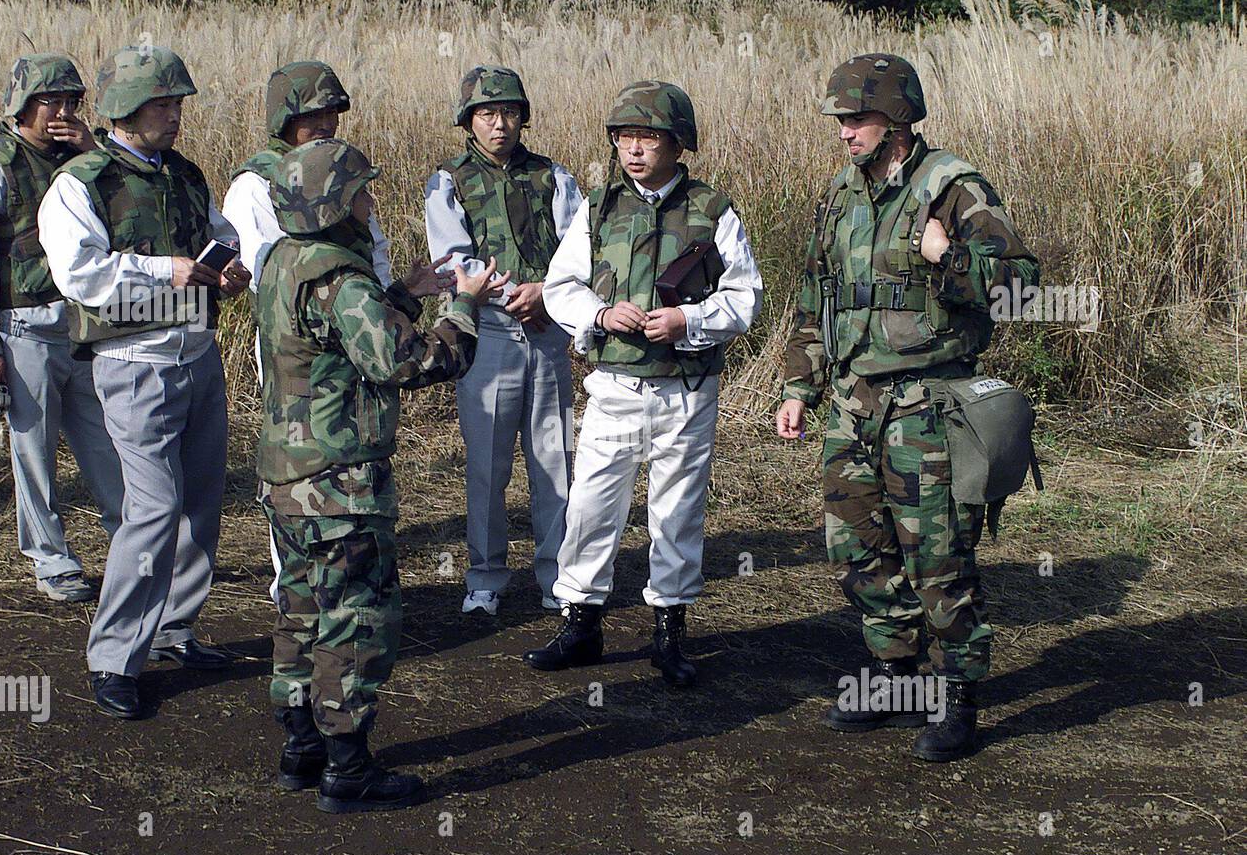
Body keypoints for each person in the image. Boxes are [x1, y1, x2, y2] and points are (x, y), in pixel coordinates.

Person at [776, 54, 1040, 761]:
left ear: (895, 120)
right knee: (860, 549)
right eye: (839, 121)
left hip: (928, 407)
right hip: (853, 404)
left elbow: (1019, 283)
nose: (843, 134)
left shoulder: (950, 187)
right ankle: (895, 677)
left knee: (938, 559)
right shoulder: (841, 193)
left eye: (855, 119)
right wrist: (800, 385)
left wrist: (946, 257)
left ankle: (958, 696)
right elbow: (816, 294)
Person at [255, 137, 502, 812]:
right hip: (341, 483)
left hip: (288, 473)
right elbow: (412, 362)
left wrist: (403, 291)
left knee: (301, 610)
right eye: (360, 192)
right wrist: (463, 306)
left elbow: (333, 337)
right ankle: (348, 765)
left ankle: (301, 742)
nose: (370, 201)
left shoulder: (283, 260)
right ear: (334, 205)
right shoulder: (344, 277)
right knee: (357, 617)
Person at [523, 81, 762, 687]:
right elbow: (560, 287)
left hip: (687, 388)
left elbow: (745, 298)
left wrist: (689, 320)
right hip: (616, 385)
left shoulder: (713, 209)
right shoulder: (599, 208)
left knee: (677, 510)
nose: (633, 150)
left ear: (677, 144)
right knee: (592, 506)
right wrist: (600, 315)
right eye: (624, 137)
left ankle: (669, 633)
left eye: (648, 138)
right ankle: (580, 624)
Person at [38, 43, 251, 719]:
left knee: (200, 506)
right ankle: (113, 655)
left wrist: (228, 269)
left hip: (197, 356)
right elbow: (82, 275)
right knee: (153, 511)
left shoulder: (184, 174)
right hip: (135, 365)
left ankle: (175, 628)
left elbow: (221, 233)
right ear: (127, 108)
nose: (176, 115)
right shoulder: (82, 182)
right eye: (163, 104)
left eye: (179, 103)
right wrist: (168, 271)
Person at [223, 60, 450, 605]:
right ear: (284, 120)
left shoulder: (340, 172)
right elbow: (271, 271)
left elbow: (372, 250)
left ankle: (335, 594)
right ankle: (302, 592)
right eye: (310, 115)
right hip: (302, 344)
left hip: (361, 331)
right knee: (304, 458)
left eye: (331, 112)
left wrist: (394, 303)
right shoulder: (258, 183)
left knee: (349, 460)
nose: (323, 123)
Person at [0, 54, 123, 601]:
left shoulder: (89, 156)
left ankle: (131, 545)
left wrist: (91, 151)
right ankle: (53, 562)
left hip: (87, 332)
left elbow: (129, 204)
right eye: (54, 100)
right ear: (24, 103)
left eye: (74, 100)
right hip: (23, 332)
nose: (65, 111)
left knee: (110, 448)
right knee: (34, 455)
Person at [424, 65, 583, 616]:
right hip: (487, 334)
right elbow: (453, 258)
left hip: (547, 332)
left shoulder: (554, 175)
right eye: (488, 114)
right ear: (469, 120)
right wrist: (517, 293)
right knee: (487, 465)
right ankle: (484, 579)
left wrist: (548, 293)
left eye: (510, 113)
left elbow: (578, 250)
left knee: (554, 461)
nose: (500, 124)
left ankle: (558, 579)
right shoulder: (448, 180)